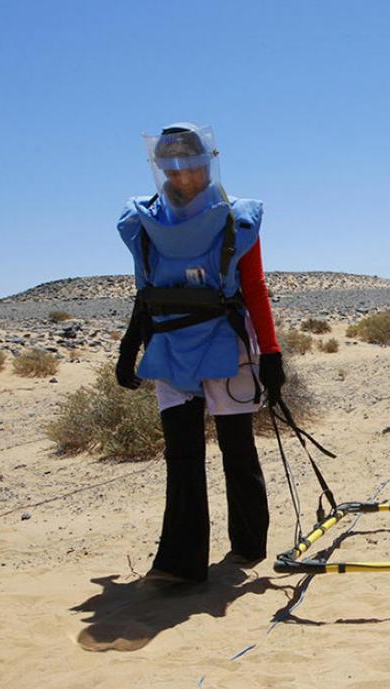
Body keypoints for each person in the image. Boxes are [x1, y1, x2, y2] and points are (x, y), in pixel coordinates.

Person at [115, 123, 287, 585]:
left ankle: (248, 543)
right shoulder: (144, 221)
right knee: (182, 453)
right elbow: (145, 289)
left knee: (236, 447)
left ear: (205, 162)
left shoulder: (237, 218)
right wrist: (131, 343)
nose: (182, 173)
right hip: (169, 344)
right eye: (172, 164)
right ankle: (179, 563)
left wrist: (270, 353)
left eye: (189, 162)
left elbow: (253, 286)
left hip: (225, 343)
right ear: (161, 167)